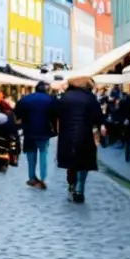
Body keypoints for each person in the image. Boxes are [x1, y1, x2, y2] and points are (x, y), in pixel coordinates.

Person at [53, 76, 103, 204]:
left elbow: (56, 113)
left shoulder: (65, 97)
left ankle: (71, 185)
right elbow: (98, 116)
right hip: (84, 134)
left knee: (71, 164)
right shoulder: (89, 97)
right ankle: (80, 190)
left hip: (67, 135)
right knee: (83, 163)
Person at [14, 81, 56, 189]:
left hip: (29, 131)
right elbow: (55, 115)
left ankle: (32, 177)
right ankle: (43, 178)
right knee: (43, 154)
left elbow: (17, 113)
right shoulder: (50, 99)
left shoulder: (26, 99)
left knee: (31, 155)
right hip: (44, 131)